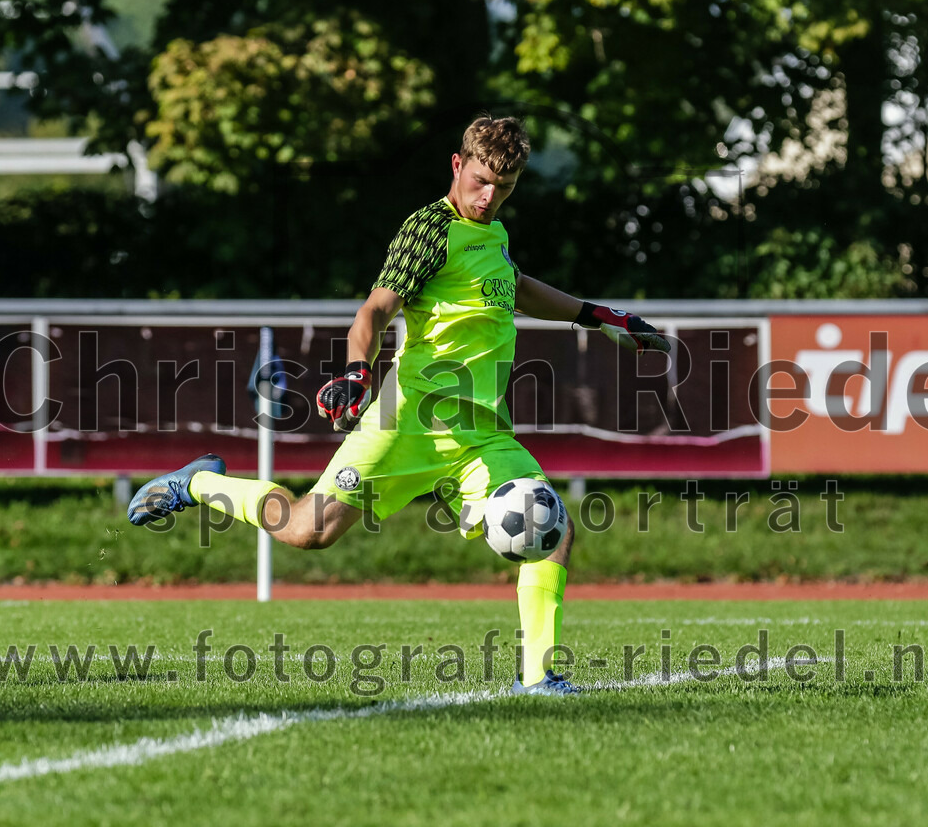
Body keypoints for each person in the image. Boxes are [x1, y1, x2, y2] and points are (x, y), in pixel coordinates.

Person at [128, 115, 669, 695]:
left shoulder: (493, 234)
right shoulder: (428, 230)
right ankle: (199, 485)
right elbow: (374, 312)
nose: (490, 197)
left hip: (481, 434)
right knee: (310, 530)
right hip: (407, 419)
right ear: (458, 166)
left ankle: (538, 677)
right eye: (482, 181)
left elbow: (517, 286)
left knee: (552, 529)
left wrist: (601, 315)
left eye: (505, 188)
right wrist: (358, 373)